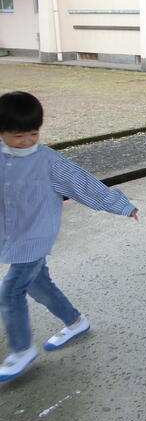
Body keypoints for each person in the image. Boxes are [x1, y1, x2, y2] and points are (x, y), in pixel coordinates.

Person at [0, 91, 138, 383]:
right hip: (10, 235)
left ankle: (21, 350)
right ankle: (75, 322)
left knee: (10, 291)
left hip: (35, 238)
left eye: (33, 134)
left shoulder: (48, 162)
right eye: (17, 135)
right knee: (39, 286)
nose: (26, 141)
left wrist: (121, 205)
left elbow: (82, 184)